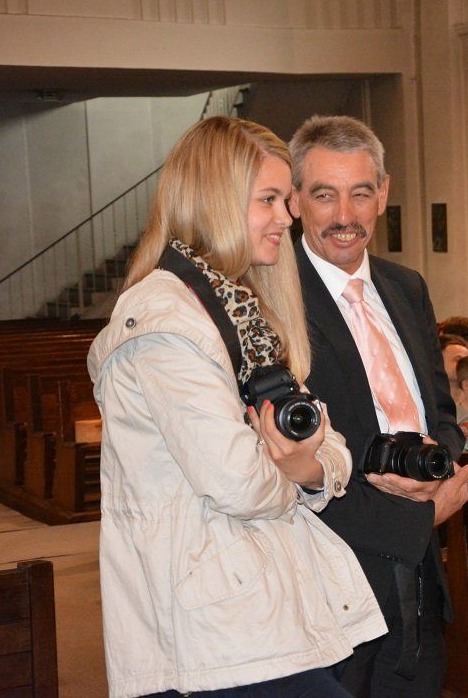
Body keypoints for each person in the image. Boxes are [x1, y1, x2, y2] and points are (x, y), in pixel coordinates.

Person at [87, 116, 386, 698]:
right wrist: (298, 468)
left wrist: (303, 465)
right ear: (216, 201)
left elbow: (329, 445)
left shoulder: (241, 308)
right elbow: (239, 484)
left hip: (266, 603)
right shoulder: (165, 322)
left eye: (285, 199)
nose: (288, 216)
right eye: (268, 199)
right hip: (211, 630)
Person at [289, 115, 468, 697]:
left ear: (384, 193)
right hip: (329, 584)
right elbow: (288, 460)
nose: (345, 216)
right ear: (295, 198)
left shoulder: (405, 286)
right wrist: (418, 514)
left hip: (419, 577)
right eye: (325, 195)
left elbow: (441, 412)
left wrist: (437, 467)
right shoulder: (271, 297)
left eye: (361, 193)